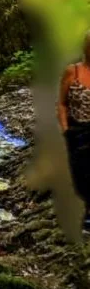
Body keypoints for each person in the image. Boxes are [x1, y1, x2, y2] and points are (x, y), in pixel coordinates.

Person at [58, 30, 90, 230]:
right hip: (77, 132)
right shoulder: (73, 72)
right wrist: (65, 130)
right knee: (81, 175)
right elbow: (62, 104)